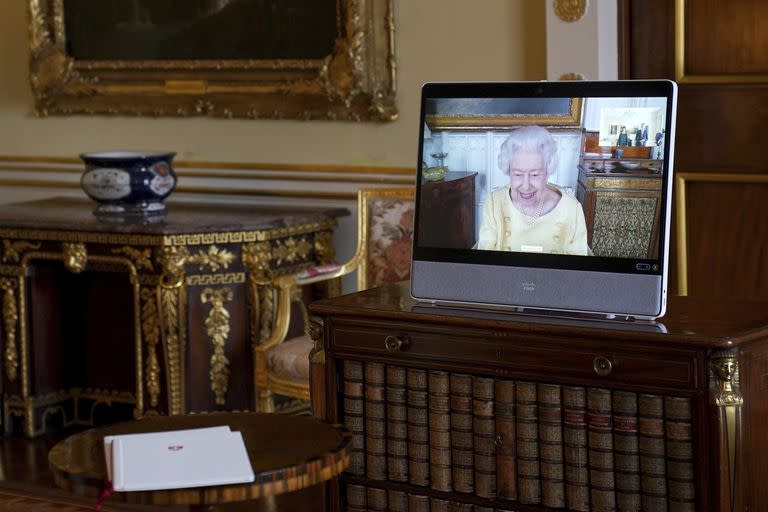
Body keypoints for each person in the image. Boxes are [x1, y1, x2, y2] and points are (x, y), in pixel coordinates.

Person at [475, 125, 589, 255]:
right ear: (508, 171)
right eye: (517, 174)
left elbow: (577, 268)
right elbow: (485, 261)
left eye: (535, 175)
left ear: (547, 172)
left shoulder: (572, 209)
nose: (525, 186)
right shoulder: (494, 204)